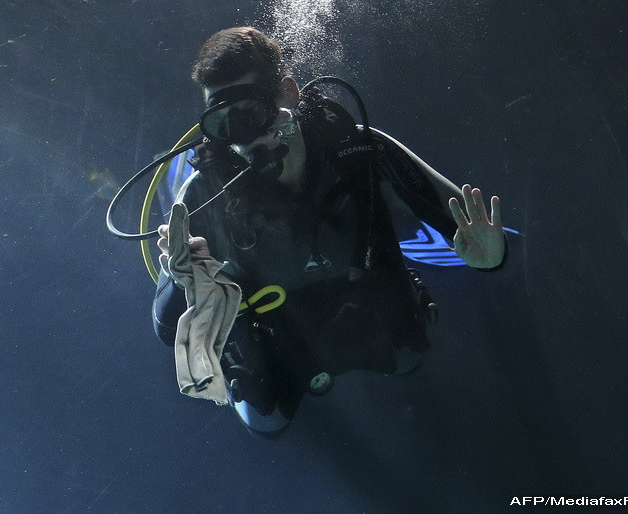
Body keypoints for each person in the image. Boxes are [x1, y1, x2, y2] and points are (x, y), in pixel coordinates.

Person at [152, 27, 506, 437]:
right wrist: (182, 284)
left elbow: (473, 232)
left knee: (409, 357)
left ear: (287, 93)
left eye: (250, 113)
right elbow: (164, 329)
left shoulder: (362, 153)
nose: (245, 139)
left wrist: (492, 258)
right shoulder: (203, 196)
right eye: (224, 124)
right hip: (279, 335)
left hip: (366, 306)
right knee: (266, 420)